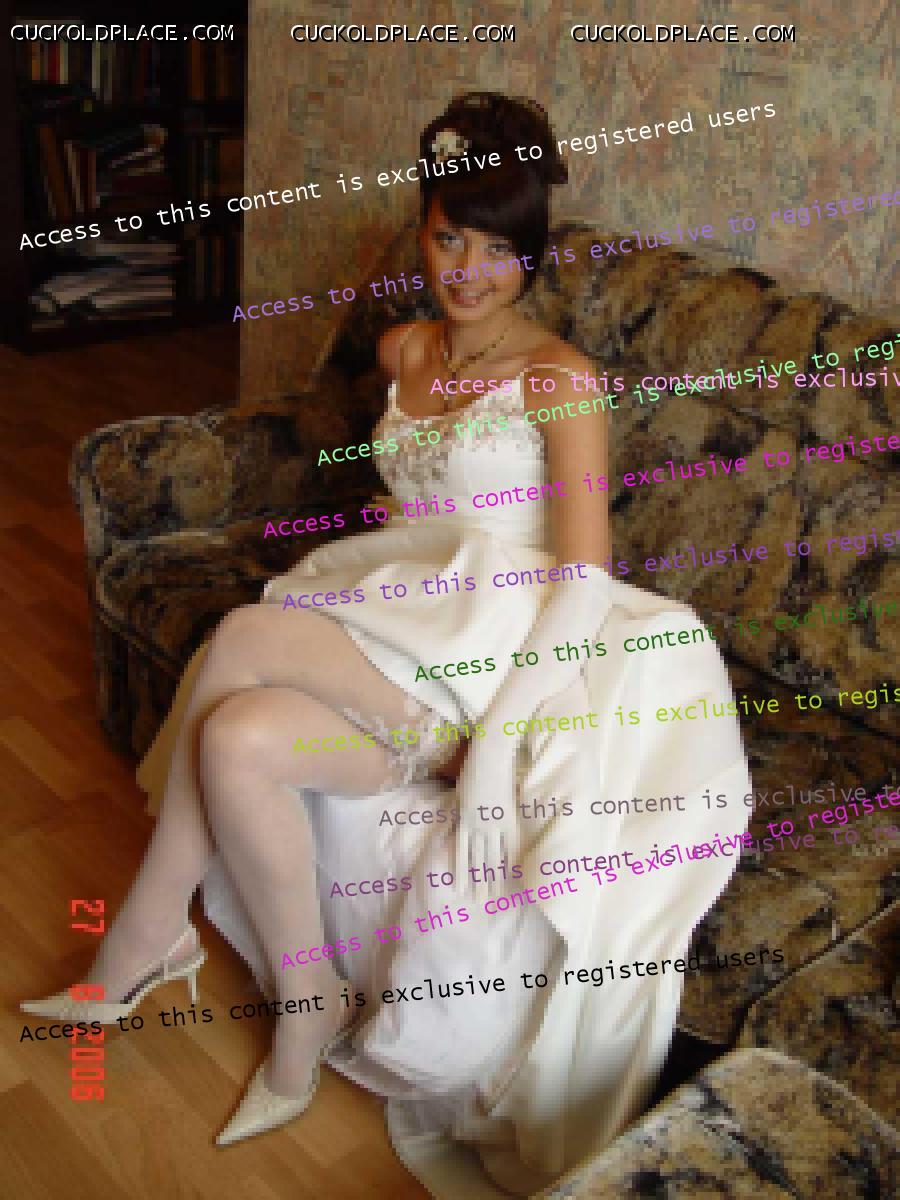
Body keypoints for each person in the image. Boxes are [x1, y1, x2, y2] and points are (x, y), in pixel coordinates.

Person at [22, 92, 750, 1195]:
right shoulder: (403, 346)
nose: (471, 271)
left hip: (499, 653)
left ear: (530, 256)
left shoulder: (559, 380)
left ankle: (141, 935)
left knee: (243, 634)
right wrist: (397, 551)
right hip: (412, 614)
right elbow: (425, 503)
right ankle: (307, 1005)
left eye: (499, 249)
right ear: (422, 230)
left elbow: (582, 577)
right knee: (239, 736)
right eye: (451, 239)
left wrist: (502, 737)